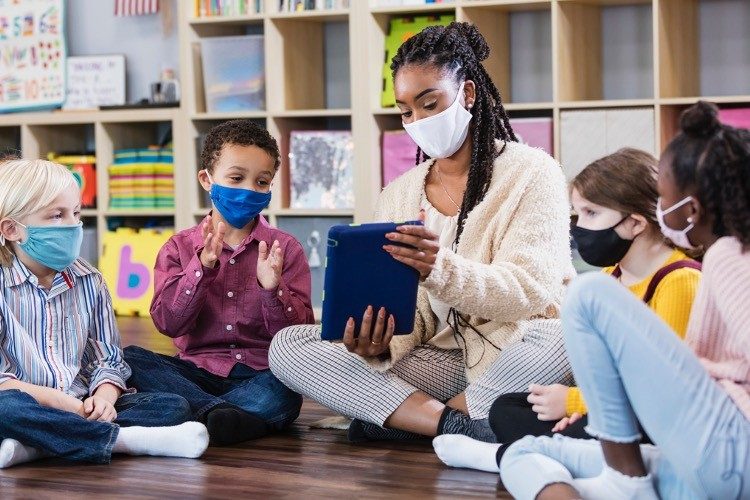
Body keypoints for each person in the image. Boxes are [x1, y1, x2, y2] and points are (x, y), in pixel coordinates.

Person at [268, 22, 574, 443]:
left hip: (516, 346)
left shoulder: (532, 172)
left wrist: (439, 268)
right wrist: (378, 343)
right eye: (407, 111)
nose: (418, 121)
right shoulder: (398, 195)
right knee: (289, 346)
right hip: (440, 358)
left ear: (467, 94)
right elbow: (415, 319)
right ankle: (455, 426)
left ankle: (401, 418)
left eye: (430, 104)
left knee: (561, 337)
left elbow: (530, 291)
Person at [500, 101, 750, 499]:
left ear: (693, 209)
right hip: (712, 458)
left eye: (665, 198)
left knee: (586, 293)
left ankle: (624, 482)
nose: (661, 210)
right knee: (523, 449)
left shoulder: (726, 255)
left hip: (728, 444)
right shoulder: (726, 255)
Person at [433, 148, 702, 472]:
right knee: (507, 409)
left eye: (590, 214)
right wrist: (581, 406)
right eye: (576, 214)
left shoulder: (678, 281)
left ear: (634, 223)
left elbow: (661, 389)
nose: (578, 227)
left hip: (657, 416)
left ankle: (512, 458)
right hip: (609, 406)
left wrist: (575, 403)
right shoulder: (608, 279)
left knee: (594, 427)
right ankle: (561, 454)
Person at [0, 158, 208, 468]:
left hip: (80, 403)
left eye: (76, 213)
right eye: (57, 215)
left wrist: (104, 397)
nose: (72, 225)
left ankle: (38, 446)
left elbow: (107, 358)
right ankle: (126, 442)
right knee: (7, 409)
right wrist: (62, 403)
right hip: (27, 402)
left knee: (171, 406)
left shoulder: (89, 280)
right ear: (12, 229)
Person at [124, 120, 314, 445]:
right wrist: (200, 269)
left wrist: (273, 290)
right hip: (195, 373)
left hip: (261, 374)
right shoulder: (178, 248)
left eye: (262, 182)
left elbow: (299, 336)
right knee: (130, 358)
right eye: (236, 178)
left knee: (285, 391)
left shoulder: (285, 249)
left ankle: (199, 415)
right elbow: (168, 323)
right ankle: (228, 418)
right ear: (207, 179)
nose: (249, 190)